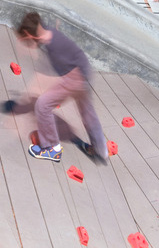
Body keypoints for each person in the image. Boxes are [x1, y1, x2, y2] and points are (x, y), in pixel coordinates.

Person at [14, 12, 106, 164]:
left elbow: (61, 75)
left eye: (28, 40)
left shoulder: (53, 46)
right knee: (87, 113)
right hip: (84, 71)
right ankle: (100, 150)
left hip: (75, 78)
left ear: (32, 36)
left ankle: (51, 149)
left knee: (43, 105)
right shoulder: (49, 33)